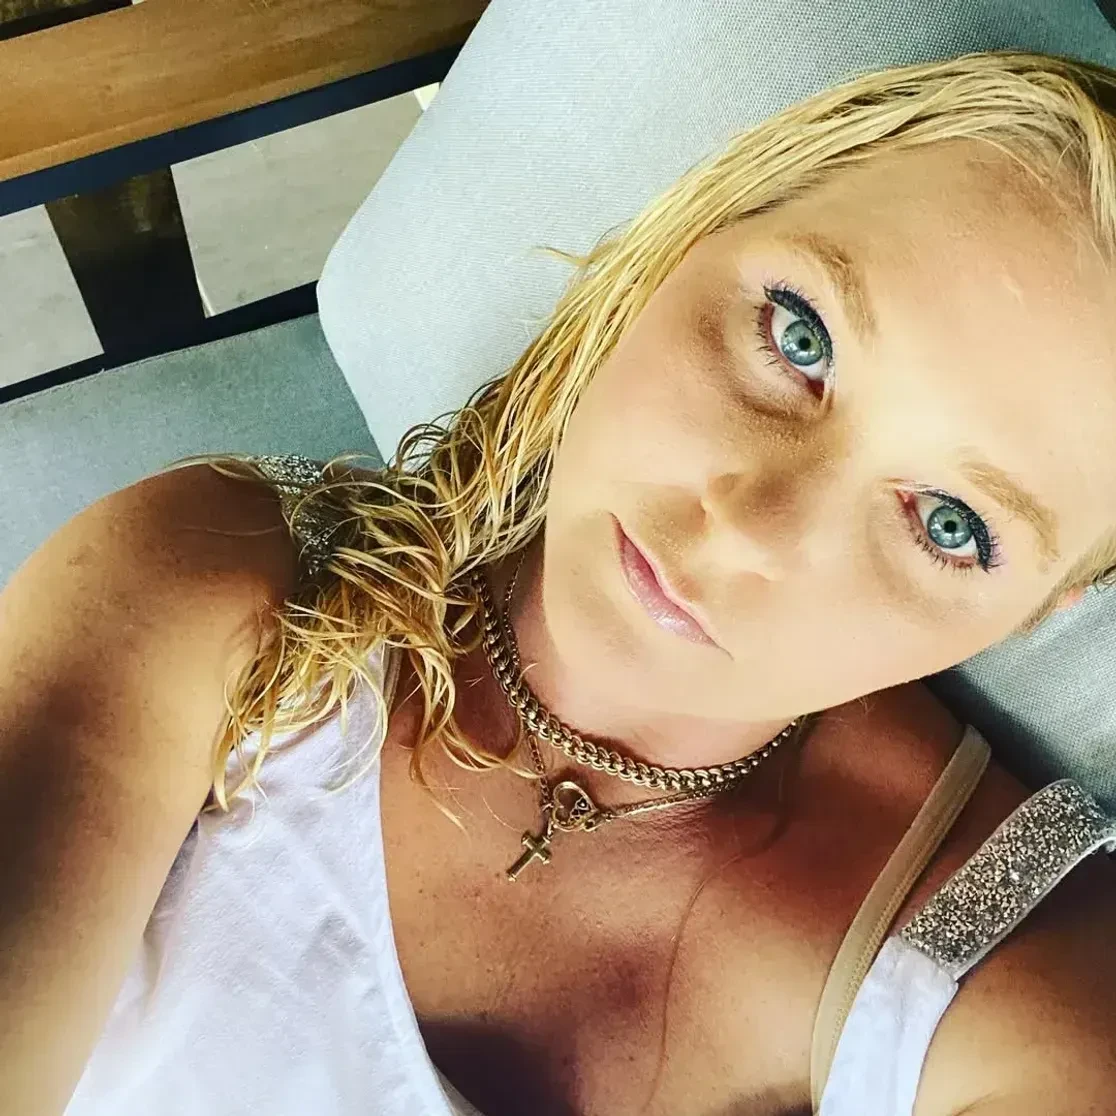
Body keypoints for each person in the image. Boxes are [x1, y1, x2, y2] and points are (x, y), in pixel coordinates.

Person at [3, 50, 1116, 1116]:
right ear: (692, 229)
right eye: (800, 336)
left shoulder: (1026, 989)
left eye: (951, 524)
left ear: (1043, 607)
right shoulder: (215, 588)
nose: (745, 527)